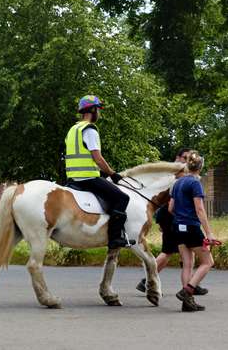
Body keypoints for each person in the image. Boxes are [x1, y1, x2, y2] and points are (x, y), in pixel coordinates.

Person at [135, 149, 208, 296]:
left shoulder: (180, 174)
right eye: (185, 157)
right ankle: (147, 280)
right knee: (168, 251)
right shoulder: (176, 173)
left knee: (186, 254)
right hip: (172, 217)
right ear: (178, 158)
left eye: (189, 158)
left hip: (174, 216)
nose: (187, 160)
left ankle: (192, 284)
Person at [64, 95, 130, 249]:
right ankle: (115, 238)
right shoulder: (90, 130)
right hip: (88, 178)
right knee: (122, 198)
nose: (99, 113)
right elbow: (98, 159)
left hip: (72, 179)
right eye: (98, 109)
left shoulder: (73, 129)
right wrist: (112, 174)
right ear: (92, 110)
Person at [172, 150, 216, 312]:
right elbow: (200, 209)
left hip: (178, 226)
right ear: (200, 168)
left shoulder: (178, 183)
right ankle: (187, 290)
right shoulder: (195, 183)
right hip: (191, 227)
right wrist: (209, 232)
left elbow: (171, 207)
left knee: (187, 265)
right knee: (208, 262)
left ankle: (187, 303)